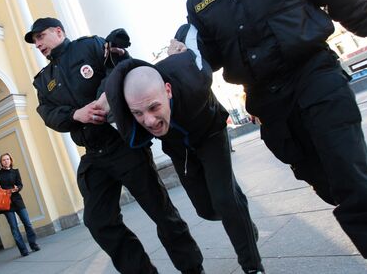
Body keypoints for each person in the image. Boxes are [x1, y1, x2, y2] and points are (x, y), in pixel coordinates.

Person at [180, 0, 367, 258]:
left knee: (348, 171)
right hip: (268, 103)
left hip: (313, 75)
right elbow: (203, 59)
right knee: (325, 179)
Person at [25, 17, 205, 274]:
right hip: (93, 154)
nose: (38, 44)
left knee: (161, 211)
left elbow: (117, 68)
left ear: (58, 31)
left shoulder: (90, 46)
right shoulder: (44, 79)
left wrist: (101, 99)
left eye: (40, 36)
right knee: (98, 222)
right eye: (34, 41)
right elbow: (47, 112)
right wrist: (77, 114)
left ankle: (193, 269)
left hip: (121, 144)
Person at [104, 47, 264, 274]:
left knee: (225, 199)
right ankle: (242, 221)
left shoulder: (194, 79)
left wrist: (180, 44)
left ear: (167, 91)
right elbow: (115, 90)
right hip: (179, 147)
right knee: (207, 209)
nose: (148, 121)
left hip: (209, 133)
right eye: (138, 113)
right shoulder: (129, 113)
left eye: (154, 107)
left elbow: (193, 33)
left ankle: (252, 266)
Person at [0, 153, 40, 256]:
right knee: (14, 227)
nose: (6, 161)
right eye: (4, 160)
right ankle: (23, 250)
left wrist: (18, 188)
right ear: (1, 162)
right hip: (5, 203)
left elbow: (20, 184)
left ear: (11, 160)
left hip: (17, 200)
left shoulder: (15, 172)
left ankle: (33, 244)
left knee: (27, 223)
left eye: (8, 159)